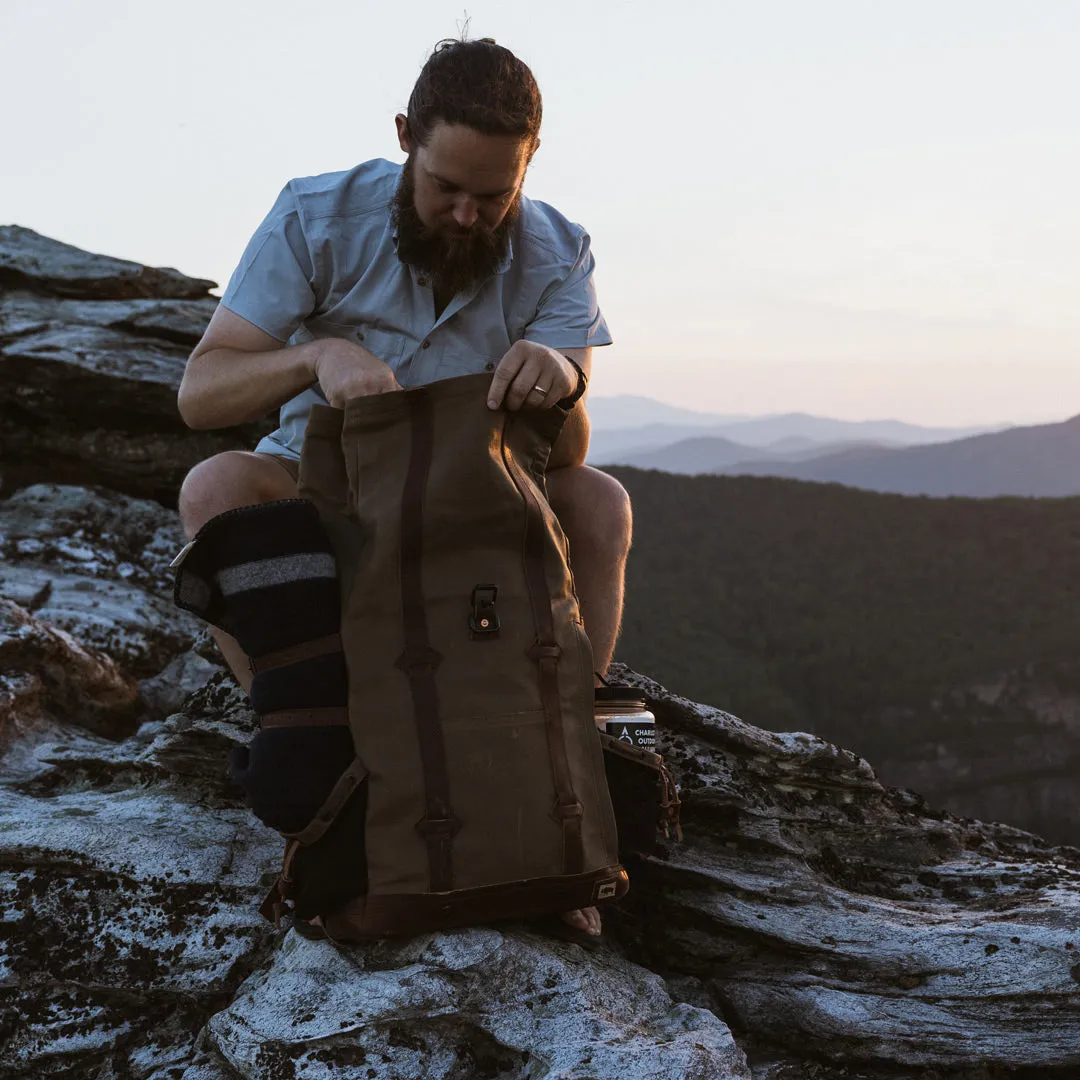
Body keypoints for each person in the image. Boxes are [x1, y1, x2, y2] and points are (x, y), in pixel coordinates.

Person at [176, 37, 632, 938]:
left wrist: (562, 379)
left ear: (528, 166)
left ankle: (555, 766)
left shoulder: (559, 251)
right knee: (215, 487)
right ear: (403, 139)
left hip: (476, 511)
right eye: (445, 187)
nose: (466, 215)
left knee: (604, 503)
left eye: (492, 195)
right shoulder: (315, 216)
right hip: (327, 490)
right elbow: (201, 393)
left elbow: (569, 457)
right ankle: (318, 751)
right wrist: (314, 354)